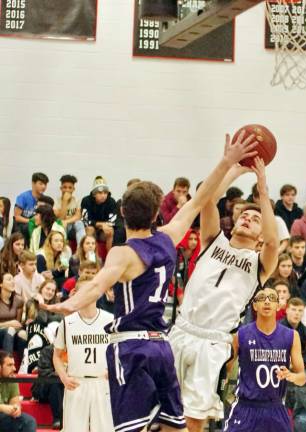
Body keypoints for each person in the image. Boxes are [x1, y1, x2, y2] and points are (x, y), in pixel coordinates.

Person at [42, 132, 261, 432]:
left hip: (131, 346)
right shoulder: (169, 237)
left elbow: (95, 286)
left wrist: (66, 305)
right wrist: (229, 163)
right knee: (175, 427)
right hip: (162, 347)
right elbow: (200, 198)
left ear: (121, 212)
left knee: (130, 428)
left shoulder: (123, 253)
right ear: (157, 213)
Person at [170, 153, 279, 430]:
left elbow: (273, 243)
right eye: (244, 215)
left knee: (194, 419)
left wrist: (263, 190)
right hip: (181, 331)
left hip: (213, 343)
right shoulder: (212, 240)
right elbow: (206, 197)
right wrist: (234, 170)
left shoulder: (259, 264)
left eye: (255, 219)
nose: (247, 219)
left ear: (261, 235)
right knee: (161, 412)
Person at [224, 285, 306, 432]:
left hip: (275, 408)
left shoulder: (292, 336)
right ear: (254, 305)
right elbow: (225, 370)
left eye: (272, 298)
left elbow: (302, 378)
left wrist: (290, 375)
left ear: (279, 305)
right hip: (245, 407)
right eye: (261, 298)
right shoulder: (241, 334)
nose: (267, 302)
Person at [51, 275, 113, 431]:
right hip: (76, 383)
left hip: (102, 383)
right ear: (76, 294)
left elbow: (122, 351)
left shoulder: (110, 320)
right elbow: (57, 356)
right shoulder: (67, 322)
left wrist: (114, 367)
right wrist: (63, 377)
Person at [0, 350, 37, 432]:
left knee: (29, 422)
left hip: (4, 417)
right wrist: (5, 408)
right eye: (10, 365)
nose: (14, 368)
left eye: (13, 365)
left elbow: (15, 403)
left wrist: (16, 408)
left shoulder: (11, 379)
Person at [80, 176, 118, 252]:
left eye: (105, 193)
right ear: (94, 194)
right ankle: (89, 258)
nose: (103, 195)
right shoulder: (86, 200)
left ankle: (109, 258)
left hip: (103, 231)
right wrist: (101, 224)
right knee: (89, 229)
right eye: (100, 193)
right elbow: (85, 221)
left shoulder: (111, 201)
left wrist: (103, 226)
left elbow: (112, 222)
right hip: (91, 229)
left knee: (110, 230)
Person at [13, 172, 49, 240]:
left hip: (37, 226)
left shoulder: (45, 199)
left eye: (45, 184)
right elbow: (17, 217)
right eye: (41, 183)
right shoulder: (23, 197)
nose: (44, 186)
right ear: (33, 183)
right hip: (23, 226)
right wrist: (32, 222)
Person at [53, 174, 86, 244]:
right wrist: (64, 201)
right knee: (60, 224)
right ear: (61, 188)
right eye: (65, 187)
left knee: (79, 223)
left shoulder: (77, 200)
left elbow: (78, 216)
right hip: (60, 228)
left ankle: (81, 249)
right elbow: (60, 218)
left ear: (73, 189)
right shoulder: (56, 201)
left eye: (70, 188)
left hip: (72, 228)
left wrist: (66, 222)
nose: (67, 190)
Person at [0, 273, 25, 354]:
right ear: (1, 284)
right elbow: (11, 325)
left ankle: (24, 365)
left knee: (23, 334)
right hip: (2, 333)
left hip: (13, 333)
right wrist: (8, 324)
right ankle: (8, 362)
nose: (12, 282)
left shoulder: (18, 300)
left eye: (13, 279)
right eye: (9, 279)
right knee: (9, 330)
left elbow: (18, 324)